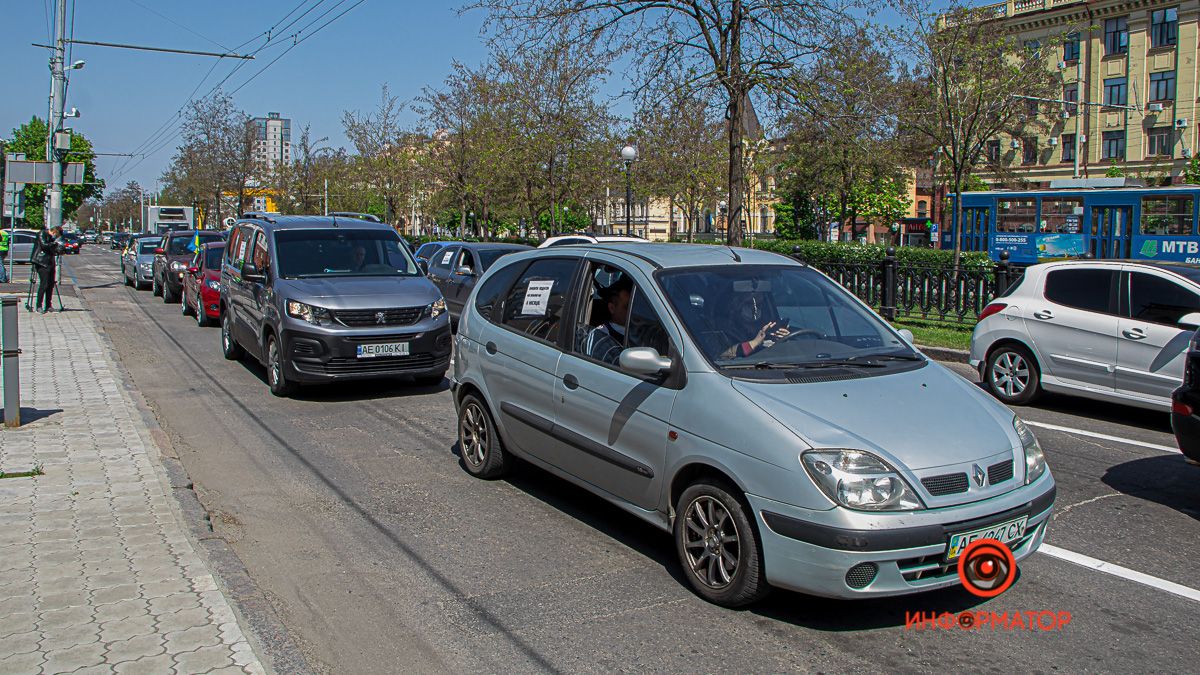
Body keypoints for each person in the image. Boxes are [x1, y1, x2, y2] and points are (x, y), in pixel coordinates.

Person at [718, 290, 793, 359]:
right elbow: (723, 356)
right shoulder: (723, 331)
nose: (755, 309)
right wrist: (755, 342)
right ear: (736, 304)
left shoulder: (769, 326)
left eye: (759, 305)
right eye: (749, 304)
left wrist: (786, 341)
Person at [584, 276, 633, 364]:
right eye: (627, 307)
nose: (633, 312)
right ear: (612, 308)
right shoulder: (600, 336)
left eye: (635, 307)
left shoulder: (643, 330)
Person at [30, 225, 65, 313]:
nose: (56, 237)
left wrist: (59, 250)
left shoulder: (50, 238)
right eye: (56, 235)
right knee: (44, 284)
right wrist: (55, 244)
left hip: (49, 262)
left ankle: (48, 305)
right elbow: (44, 245)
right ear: (55, 232)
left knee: (50, 284)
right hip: (41, 262)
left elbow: (52, 249)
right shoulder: (42, 234)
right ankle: (39, 305)